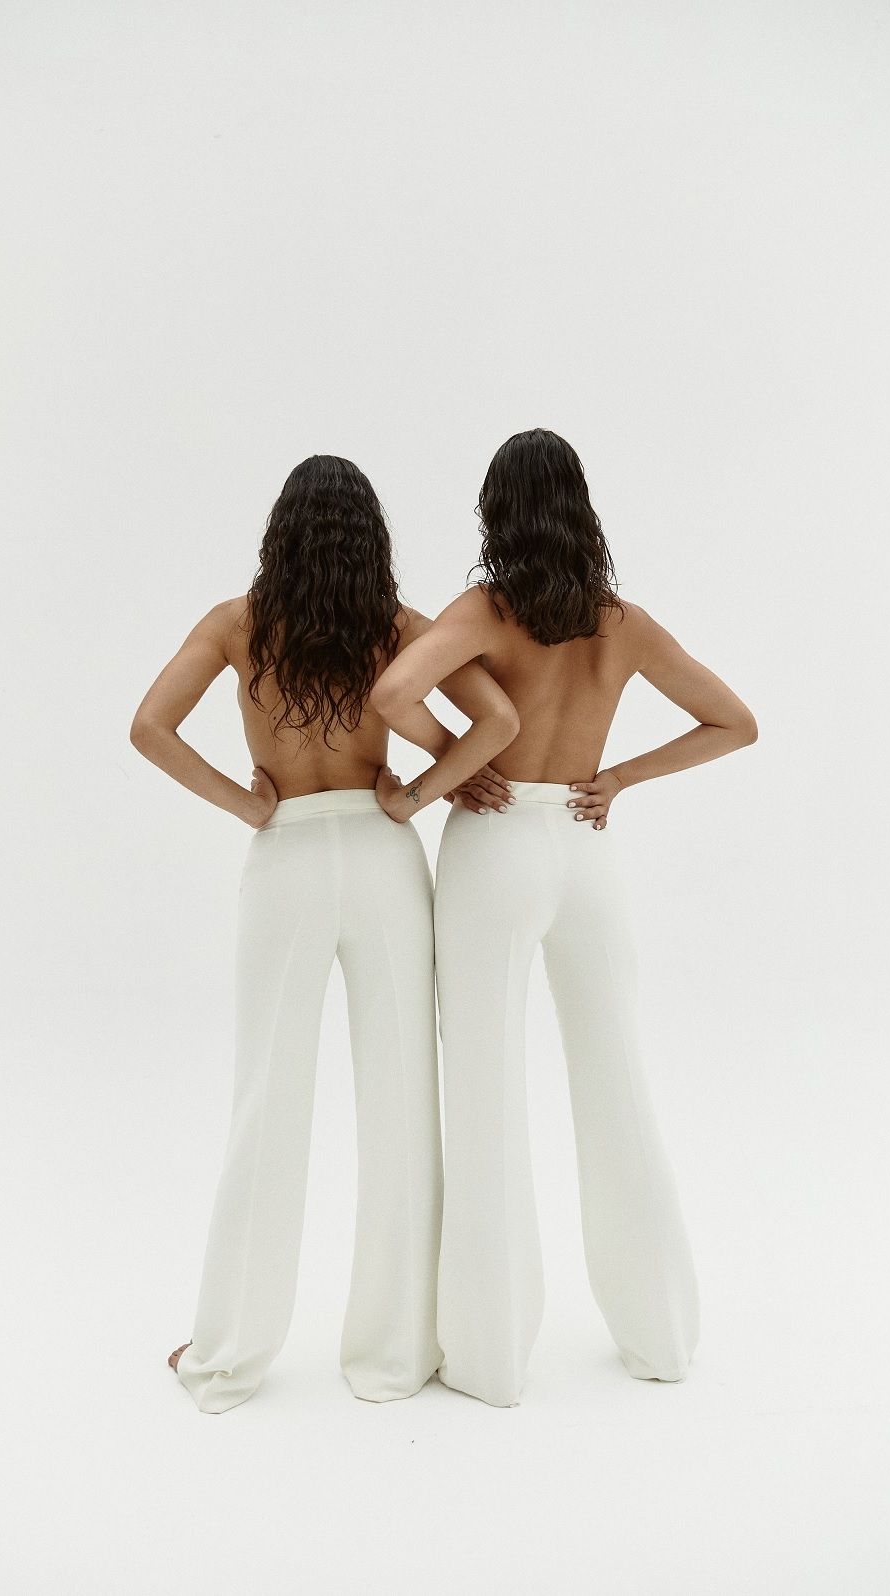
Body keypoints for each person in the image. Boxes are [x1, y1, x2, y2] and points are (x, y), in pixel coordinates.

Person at [371, 427, 758, 1407]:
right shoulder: (621, 624)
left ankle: (490, 1357)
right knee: (615, 1081)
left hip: (496, 846)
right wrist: (616, 777)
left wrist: (448, 768)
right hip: (584, 851)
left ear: (495, 515)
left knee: (485, 1092)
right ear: (580, 508)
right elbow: (734, 721)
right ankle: (660, 1336)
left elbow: (393, 689)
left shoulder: (483, 612)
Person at [130, 453, 518, 1413]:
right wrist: (422, 789)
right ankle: (395, 1352)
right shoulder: (395, 626)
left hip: (289, 862)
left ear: (281, 532)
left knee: (266, 1100)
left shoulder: (237, 623)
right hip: (383, 858)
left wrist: (246, 806)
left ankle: (228, 1352)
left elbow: (149, 727)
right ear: (368, 539)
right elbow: (498, 720)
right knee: (401, 1104)